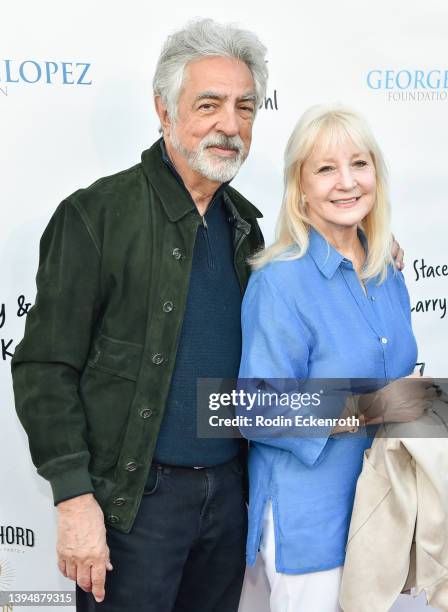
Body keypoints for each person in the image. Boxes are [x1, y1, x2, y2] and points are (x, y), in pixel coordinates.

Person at [11, 18, 267, 612]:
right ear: (163, 109)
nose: (230, 125)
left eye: (245, 107)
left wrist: (367, 251)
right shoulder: (94, 216)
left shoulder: (249, 232)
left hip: (229, 502)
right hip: (134, 506)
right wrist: (74, 500)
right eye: (209, 104)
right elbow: (45, 368)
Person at [238, 104, 434, 611]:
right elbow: (254, 410)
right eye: (326, 168)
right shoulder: (280, 282)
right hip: (313, 521)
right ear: (300, 188)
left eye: (359, 164)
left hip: (384, 514)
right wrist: (372, 408)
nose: (347, 182)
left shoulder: (386, 270)